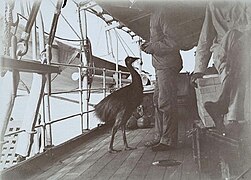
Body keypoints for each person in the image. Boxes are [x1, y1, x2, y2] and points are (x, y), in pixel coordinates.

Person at [191, 1, 251, 138]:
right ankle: (232, 117)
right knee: (232, 42)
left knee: (234, 36)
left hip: (246, 49)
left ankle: (224, 105)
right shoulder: (212, 5)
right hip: (223, 54)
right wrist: (198, 70)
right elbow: (205, 39)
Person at [141, 6, 185, 151]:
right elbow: (159, 39)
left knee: (166, 102)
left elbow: (173, 42)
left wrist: (152, 47)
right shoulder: (154, 13)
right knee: (157, 101)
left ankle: (169, 140)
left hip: (167, 65)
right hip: (160, 66)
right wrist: (149, 45)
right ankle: (160, 136)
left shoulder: (164, 12)